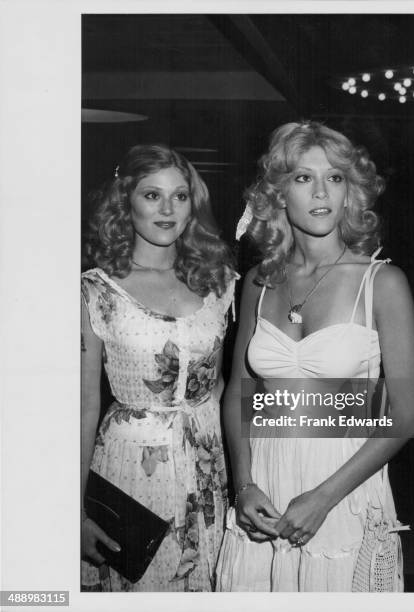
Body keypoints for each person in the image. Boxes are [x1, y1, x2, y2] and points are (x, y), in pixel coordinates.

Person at [215, 121, 414, 591]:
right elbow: (237, 396)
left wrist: (323, 498)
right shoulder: (258, 282)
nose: (321, 191)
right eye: (303, 178)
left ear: (351, 190)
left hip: (343, 484)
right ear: (278, 194)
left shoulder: (382, 283)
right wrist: (244, 485)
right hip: (265, 481)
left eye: (335, 177)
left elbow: (408, 415)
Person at [81, 144, 237, 591]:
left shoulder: (219, 282)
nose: (168, 208)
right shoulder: (95, 292)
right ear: (125, 200)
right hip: (129, 470)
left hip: (207, 466)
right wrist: (76, 512)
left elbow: (220, 385)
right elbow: (83, 407)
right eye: (152, 195)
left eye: (180, 195)